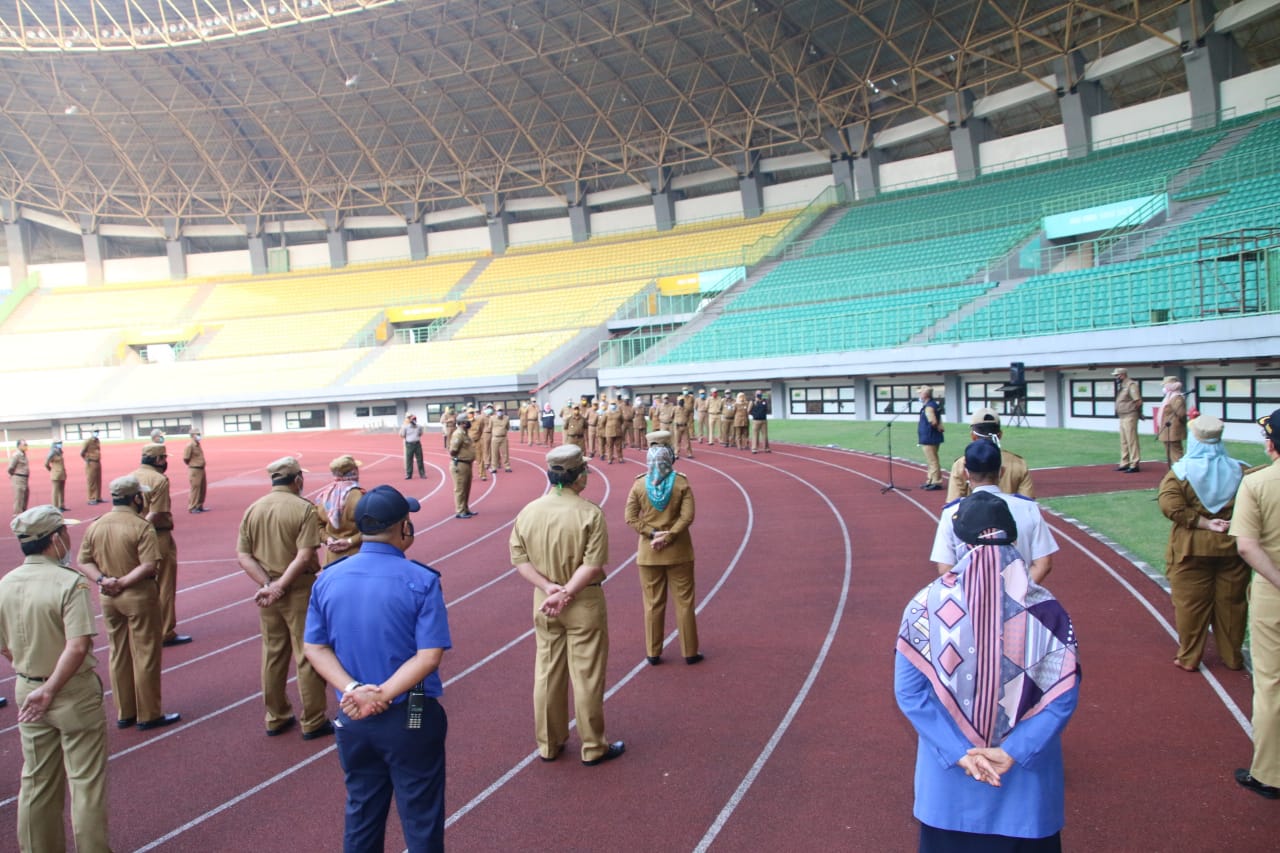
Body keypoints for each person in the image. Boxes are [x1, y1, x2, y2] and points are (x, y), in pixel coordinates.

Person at [896, 491, 1080, 851]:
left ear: (960, 540)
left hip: (949, 788)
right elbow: (1062, 696)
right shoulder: (1048, 610)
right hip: (1025, 787)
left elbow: (910, 693)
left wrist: (960, 752)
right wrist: (1013, 751)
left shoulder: (924, 605)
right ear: (1012, 537)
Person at [305, 485, 452, 853]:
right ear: (404, 527)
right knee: (420, 814)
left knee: (363, 811)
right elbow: (429, 655)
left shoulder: (327, 579)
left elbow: (314, 646)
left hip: (353, 714)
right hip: (412, 708)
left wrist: (355, 690)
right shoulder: (420, 580)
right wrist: (383, 694)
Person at [0, 505, 111, 853]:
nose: (68, 538)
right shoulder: (69, 582)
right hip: (69, 691)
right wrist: (50, 688)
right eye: (64, 533)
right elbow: (77, 646)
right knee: (86, 783)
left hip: (27, 688)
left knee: (36, 781)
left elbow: (5, 647)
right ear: (53, 540)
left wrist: (33, 676)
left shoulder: (6, 584)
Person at [509, 445, 625, 766]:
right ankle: (593, 746)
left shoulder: (529, 512)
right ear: (578, 477)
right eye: (584, 470)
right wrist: (567, 593)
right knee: (586, 675)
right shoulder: (589, 513)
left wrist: (549, 588)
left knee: (547, 672)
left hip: (544, 602)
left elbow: (519, 559)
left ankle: (549, 743)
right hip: (582, 601)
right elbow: (592, 565)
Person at [236, 457, 331, 740]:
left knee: (273, 653)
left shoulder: (253, 509)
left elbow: (243, 556)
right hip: (297, 589)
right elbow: (304, 555)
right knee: (308, 652)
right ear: (297, 480)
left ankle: (276, 716)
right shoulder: (303, 509)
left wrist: (268, 584)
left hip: (267, 593)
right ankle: (313, 718)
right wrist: (281, 586)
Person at [77, 475, 181, 731]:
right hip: (137, 596)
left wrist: (103, 580)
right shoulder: (140, 526)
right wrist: (123, 582)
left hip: (108, 598)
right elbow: (148, 566)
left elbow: (83, 561)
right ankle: (149, 713)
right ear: (136, 498)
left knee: (118, 653)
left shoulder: (96, 525)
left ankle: (125, 711)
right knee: (145, 654)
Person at [1157, 415, 1249, 672]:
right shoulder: (1241, 470)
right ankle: (1232, 656)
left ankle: (1188, 657)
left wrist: (1202, 522)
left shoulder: (1181, 473)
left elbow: (1170, 505)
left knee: (1190, 605)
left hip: (1191, 548)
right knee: (1232, 605)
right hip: (1232, 547)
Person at [1229, 407, 1280, 799]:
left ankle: (1270, 773)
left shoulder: (1258, 483)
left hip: (1273, 593)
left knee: (1271, 683)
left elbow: (1247, 545)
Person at [932, 441, 1058, 584]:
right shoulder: (1028, 507)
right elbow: (1043, 564)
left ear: (965, 474)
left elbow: (945, 567)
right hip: (1021, 602)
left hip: (970, 601)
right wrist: (1017, 592)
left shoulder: (952, 512)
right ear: (1002, 472)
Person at [625, 431, 700, 666]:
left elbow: (630, 517)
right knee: (684, 603)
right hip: (679, 552)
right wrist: (668, 537)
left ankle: (653, 652)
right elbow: (687, 517)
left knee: (653, 604)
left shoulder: (639, 485)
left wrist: (652, 534)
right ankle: (689, 652)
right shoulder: (681, 483)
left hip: (649, 554)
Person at [133, 443, 191, 647]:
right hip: (156, 536)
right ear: (158, 460)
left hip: (132, 537)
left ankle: (143, 627)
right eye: (164, 458)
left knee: (141, 584)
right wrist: (142, 530)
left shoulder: (131, 477)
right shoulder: (159, 480)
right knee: (164, 584)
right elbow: (157, 512)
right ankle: (166, 630)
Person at [945, 408, 1034, 502]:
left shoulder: (961, 464)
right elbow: (1028, 502)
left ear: (973, 436)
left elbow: (953, 503)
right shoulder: (1019, 463)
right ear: (1000, 435)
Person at [315, 455, 365, 567]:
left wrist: (327, 539)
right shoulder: (361, 497)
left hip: (332, 558)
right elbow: (371, 529)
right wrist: (350, 541)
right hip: (356, 555)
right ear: (354, 471)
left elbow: (317, 526)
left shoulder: (324, 497)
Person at [1112, 367, 1143, 473]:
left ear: (1123, 375)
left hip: (1130, 415)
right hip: (1122, 416)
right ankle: (1124, 462)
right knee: (1124, 441)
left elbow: (1138, 401)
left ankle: (1135, 463)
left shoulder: (1131, 385)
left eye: (1117, 375)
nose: (1116, 377)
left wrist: (1138, 413)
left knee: (1131, 440)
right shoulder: (1122, 386)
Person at [917, 385, 945, 491]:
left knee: (932, 460)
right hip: (931, 436)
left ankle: (936, 481)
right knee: (931, 460)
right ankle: (930, 480)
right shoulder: (933, 404)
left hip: (929, 437)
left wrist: (933, 426)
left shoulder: (929, 407)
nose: (919, 395)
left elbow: (933, 421)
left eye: (920, 393)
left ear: (925, 394)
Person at [449, 414, 477, 519]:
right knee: (460, 488)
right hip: (460, 464)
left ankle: (465, 508)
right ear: (462, 423)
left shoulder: (465, 433)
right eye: (466, 422)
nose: (469, 423)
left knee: (466, 488)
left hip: (467, 464)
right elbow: (453, 450)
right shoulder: (458, 434)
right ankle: (460, 511)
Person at [1157, 376, 1188, 464]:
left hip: (1173, 430)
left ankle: (1179, 474)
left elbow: (1181, 414)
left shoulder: (1176, 397)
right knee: (1169, 454)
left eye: (1165, 385)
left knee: (1176, 454)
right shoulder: (1169, 396)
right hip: (1167, 430)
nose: (1164, 388)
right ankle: (1172, 473)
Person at [182, 428, 207, 513]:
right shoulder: (190, 445)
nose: (199, 436)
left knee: (202, 488)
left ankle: (199, 505)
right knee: (195, 488)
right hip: (195, 469)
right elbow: (186, 458)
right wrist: (192, 464)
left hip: (201, 468)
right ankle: (192, 507)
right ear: (192, 435)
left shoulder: (198, 444)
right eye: (197, 434)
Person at [400, 414, 426, 480]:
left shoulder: (419, 427)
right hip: (409, 444)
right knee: (409, 460)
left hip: (417, 444)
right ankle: (409, 474)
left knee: (420, 459)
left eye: (415, 420)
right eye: (412, 420)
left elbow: (420, 434)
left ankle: (422, 473)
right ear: (410, 421)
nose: (414, 422)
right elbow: (403, 435)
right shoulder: (405, 427)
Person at [8, 438, 30, 515]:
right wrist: (14, 476)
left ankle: (23, 514)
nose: (26, 446)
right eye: (24, 445)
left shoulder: (23, 454)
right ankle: (17, 516)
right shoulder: (16, 455)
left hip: (24, 478)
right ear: (19, 446)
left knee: (25, 497)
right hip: (18, 478)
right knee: (19, 498)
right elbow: (11, 467)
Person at [82, 430, 103, 506]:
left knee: (98, 480)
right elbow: (82, 452)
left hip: (97, 461)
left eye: (97, 431)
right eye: (95, 431)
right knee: (91, 481)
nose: (96, 433)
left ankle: (98, 497)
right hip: (91, 462)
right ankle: (91, 498)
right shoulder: (88, 441)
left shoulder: (97, 440)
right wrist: (86, 459)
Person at [45, 441, 68, 511]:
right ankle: (55, 506)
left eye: (60, 443)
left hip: (62, 473)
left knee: (61, 490)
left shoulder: (60, 452)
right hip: (56, 474)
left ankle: (61, 505)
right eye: (58, 443)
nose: (60, 445)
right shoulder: (52, 453)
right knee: (55, 491)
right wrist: (52, 470)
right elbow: (46, 464)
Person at [490, 406, 512, 473]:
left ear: (503, 411)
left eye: (501, 410)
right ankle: (494, 467)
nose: (499, 412)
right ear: (496, 411)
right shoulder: (492, 418)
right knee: (494, 453)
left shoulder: (506, 418)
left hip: (503, 437)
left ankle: (507, 466)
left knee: (505, 453)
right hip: (495, 437)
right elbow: (490, 427)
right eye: (498, 410)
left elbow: (508, 427)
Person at [603, 399, 625, 464]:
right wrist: (607, 428)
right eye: (612, 404)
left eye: (614, 404)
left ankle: (620, 458)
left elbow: (622, 421)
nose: (613, 405)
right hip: (609, 432)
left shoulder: (619, 413)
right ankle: (609, 459)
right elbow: (602, 422)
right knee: (609, 446)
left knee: (619, 446)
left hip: (618, 432)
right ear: (609, 405)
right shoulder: (606, 413)